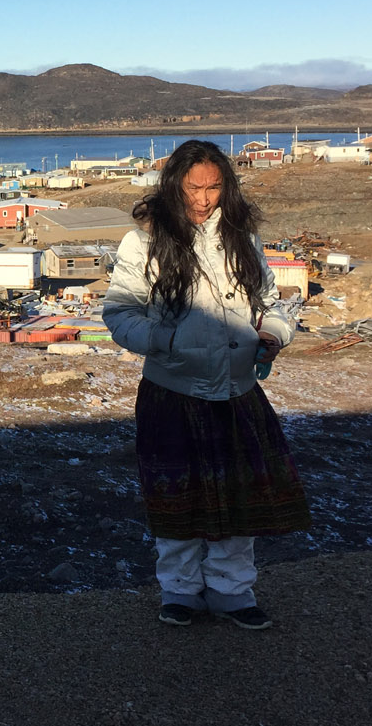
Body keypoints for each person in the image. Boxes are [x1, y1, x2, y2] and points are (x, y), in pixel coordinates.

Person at [102, 139, 310, 630]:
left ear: (226, 186)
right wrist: (165, 341)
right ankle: (179, 591)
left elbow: (272, 303)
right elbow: (119, 313)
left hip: (237, 394)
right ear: (174, 185)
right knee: (177, 497)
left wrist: (273, 334)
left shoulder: (243, 237)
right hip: (171, 393)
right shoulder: (144, 242)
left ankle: (232, 592)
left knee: (238, 498)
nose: (203, 198)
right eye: (193, 188)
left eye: (214, 187)